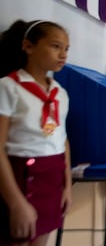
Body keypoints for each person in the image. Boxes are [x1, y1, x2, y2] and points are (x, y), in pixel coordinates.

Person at [0, 20, 72, 246]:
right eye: (55, 46)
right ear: (28, 46)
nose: (62, 54)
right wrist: (15, 202)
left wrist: (66, 186)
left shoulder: (60, 92)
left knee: (42, 239)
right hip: (19, 178)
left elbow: (62, 140)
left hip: (52, 178)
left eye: (66, 49)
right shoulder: (9, 87)